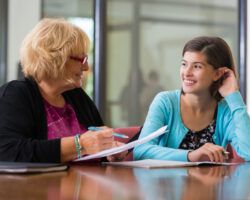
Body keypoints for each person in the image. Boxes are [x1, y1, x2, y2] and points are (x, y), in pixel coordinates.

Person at [0, 18, 126, 163]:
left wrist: (109, 151)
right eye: (82, 60)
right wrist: (80, 145)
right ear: (55, 58)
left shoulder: (76, 96)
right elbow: (7, 152)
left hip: (84, 184)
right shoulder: (16, 94)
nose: (86, 68)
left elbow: (95, 146)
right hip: (40, 186)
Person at [134, 36, 250, 162]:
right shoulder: (165, 102)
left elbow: (248, 153)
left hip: (213, 181)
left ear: (217, 74)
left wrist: (233, 95)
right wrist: (191, 155)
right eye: (184, 64)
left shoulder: (226, 110)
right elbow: (141, 151)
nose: (186, 72)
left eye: (197, 66)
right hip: (166, 181)